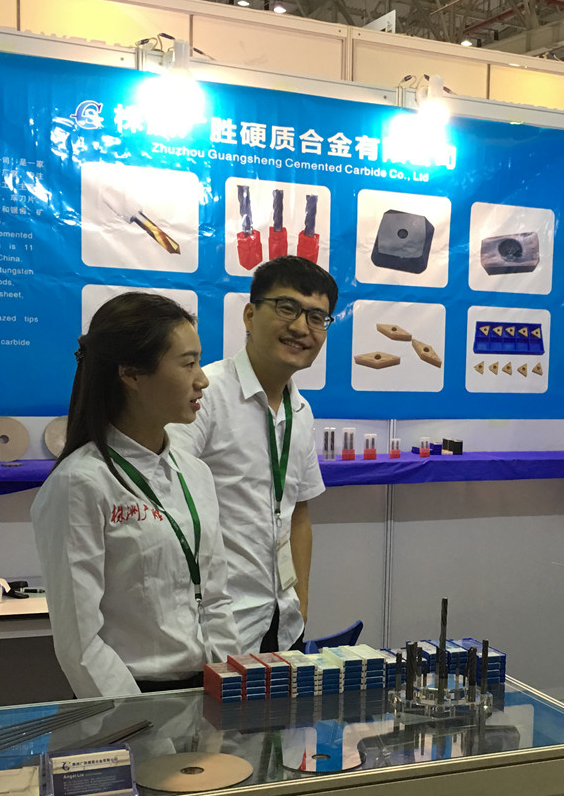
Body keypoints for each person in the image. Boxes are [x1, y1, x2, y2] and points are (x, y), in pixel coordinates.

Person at [31, 293, 237, 699]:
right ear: (131, 374)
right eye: (188, 363)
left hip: (205, 693)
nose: (203, 380)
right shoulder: (81, 483)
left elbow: (215, 598)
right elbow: (80, 643)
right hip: (129, 700)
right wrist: (138, 718)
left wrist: (227, 687)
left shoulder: (194, 473)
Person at [169, 256, 336, 655]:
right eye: (287, 308)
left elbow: (298, 514)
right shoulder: (204, 397)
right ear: (249, 315)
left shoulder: (301, 411)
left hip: (283, 624)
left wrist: (301, 604)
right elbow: (166, 504)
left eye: (317, 317)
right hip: (216, 630)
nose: (301, 328)